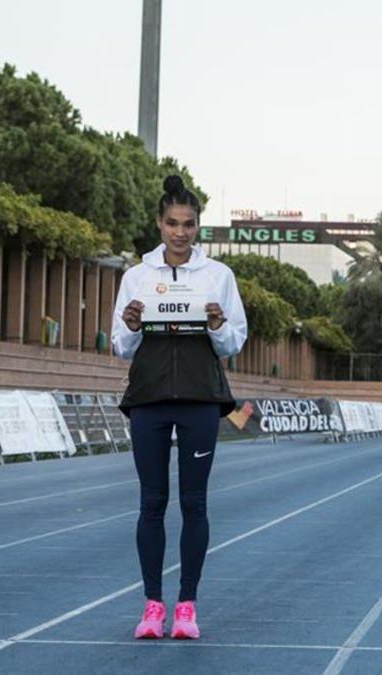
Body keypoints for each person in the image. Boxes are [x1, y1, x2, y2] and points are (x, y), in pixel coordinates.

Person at [112, 175, 248, 640]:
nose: (180, 232)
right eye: (172, 223)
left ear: (198, 228)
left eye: (189, 224)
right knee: (152, 503)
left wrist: (216, 323)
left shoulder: (218, 276)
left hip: (198, 399)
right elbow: (120, 346)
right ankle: (153, 606)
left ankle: (186, 606)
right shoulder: (136, 276)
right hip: (148, 398)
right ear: (159, 223)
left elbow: (235, 340)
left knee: (194, 504)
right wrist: (130, 324)